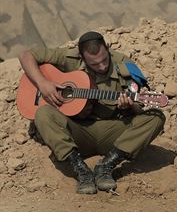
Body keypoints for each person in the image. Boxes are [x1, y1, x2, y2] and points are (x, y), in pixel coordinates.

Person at [18, 31, 165, 194]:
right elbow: (26, 55)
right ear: (81, 56)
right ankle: (81, 171)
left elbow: (138, 111)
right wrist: (43, 83)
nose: (102, 66)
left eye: (104, 60)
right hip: (76, 132)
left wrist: (128, 106)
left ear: (107, 48)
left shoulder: (124, 65)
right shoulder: (69, 57)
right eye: (95, 64)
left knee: (156, 117)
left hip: (112, 133)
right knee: (42, 113)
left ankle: (106, 166)